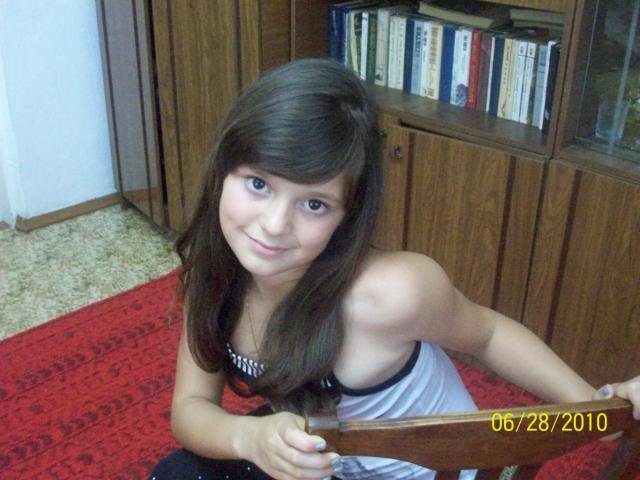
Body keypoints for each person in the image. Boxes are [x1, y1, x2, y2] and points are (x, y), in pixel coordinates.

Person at [150, 58, 640, 480]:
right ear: (223, 171)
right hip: (330, 460)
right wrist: (248, 437)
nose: (274, 225)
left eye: (315, 204)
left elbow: (488, 334)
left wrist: (600, 413)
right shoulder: (214, 278)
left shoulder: (389, 293)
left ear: (347, 216)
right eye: (259, 184)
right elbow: (190, 409)